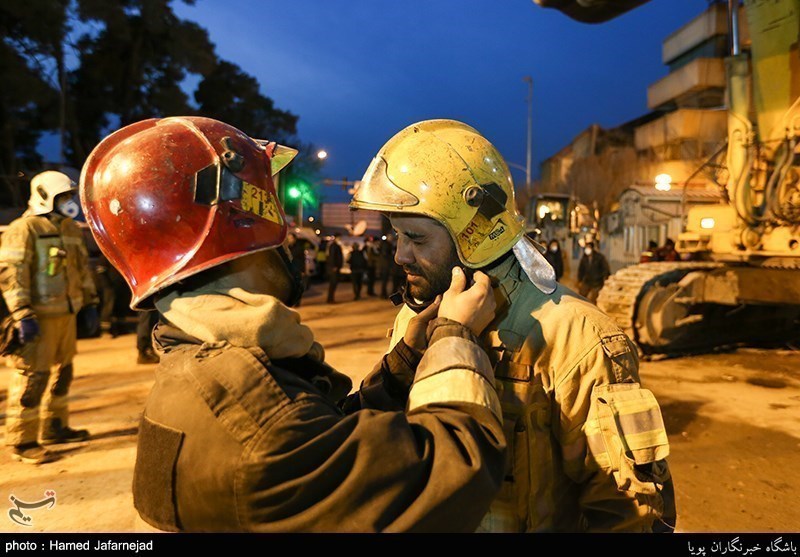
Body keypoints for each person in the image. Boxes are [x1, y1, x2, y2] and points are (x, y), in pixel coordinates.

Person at [80, 116, 506, 532]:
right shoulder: (257, 422)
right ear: (242, 225)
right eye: (273, 206)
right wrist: (456, 337)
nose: (284, 229)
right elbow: (451, 475)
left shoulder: (202, 367)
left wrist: (403, 364)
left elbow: (333, 444)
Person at [350, 119, 676, 533]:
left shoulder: (579, 338)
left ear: (474, 233)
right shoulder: (415, 322)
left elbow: (629, 514)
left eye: (415, 238)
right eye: (396, 236)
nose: (400, 256)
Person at [0, 171, 99, 464]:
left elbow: (81, 269)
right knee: (33, 377)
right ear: (45, 196)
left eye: (69, 196)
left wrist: (90, 303)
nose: (69, 203)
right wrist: (21, 313)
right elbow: (12, 274)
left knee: (62, 373)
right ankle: (22, 439)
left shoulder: (69, 229)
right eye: (63, 197)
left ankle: (55, 427)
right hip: (37, 318)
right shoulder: (24, 229)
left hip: (65, 316)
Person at [326, 233, 343, 303]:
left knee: (334, 283)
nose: (340, 239)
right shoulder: (334, 246)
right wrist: (334, 266)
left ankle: (331, 298)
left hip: (335, 267)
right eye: (339, 238)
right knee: (333, 283)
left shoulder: (336, 245)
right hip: (334, 268)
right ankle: (330, 299)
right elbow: (332, 257)